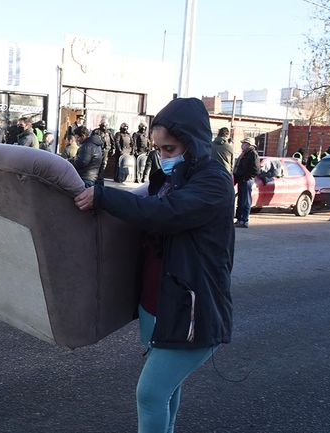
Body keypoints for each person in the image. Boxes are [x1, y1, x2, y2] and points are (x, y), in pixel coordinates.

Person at [74, 97, 234, 433]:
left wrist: (105, 196)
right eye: (158, 149)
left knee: (150, 394)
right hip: (156, 305)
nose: (163, 157)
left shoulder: (213, 181)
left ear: (193, 143)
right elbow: (136, 202)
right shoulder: (168, 179)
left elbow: (165, 214)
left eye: (170, 149)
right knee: (168, 391)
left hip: (192, 310)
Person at [233, 137, 260, 228]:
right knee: (241, 200)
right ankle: (239, 219)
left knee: (245, 201)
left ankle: (244, 220)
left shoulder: (253, 154)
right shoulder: (245, 153)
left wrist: (246, 178)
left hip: (246, 180)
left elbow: (256, 170)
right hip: (241, 180)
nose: (242, 145)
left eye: (244, 143)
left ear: (249, 145)